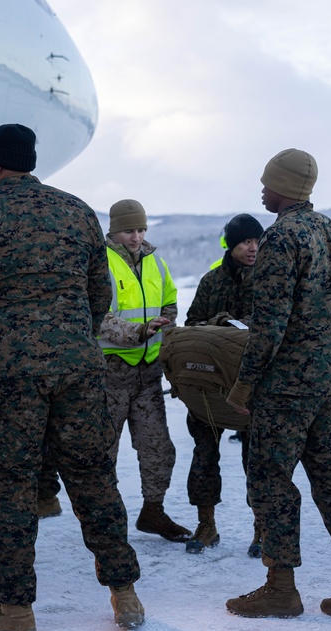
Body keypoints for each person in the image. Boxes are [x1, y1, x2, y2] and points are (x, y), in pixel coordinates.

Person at [0, 124, 143, 631]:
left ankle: (16, 611)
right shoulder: (77, 211)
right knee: (94, 478)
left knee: (9, 489)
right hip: (78, 370)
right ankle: (125, 594)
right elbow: (100, 294)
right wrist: (72, 340)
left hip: (6, 376)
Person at [225, 149, 331, 621]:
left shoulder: (282, 238)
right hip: (329, 384)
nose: (261, 188)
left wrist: (243, 387)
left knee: (271, 482)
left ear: (287, 188)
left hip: (285, 390)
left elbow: (270, 325)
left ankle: (280, 588)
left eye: (267, 182)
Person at [97, 199, 191, 543]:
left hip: (147, 373)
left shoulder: (157, 262)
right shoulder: (99, 262)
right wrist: (137, 332)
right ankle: (105, 519)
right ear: (113, 230)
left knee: (158, 448)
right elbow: (98, 316)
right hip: (110, 374)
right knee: (103, 451)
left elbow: (169, 299)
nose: (136, 237)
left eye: (140, 229)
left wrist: (165, 323)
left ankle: (153, 510)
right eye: (128, 230)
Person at [182, 213, 263, 556]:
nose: (253, 248)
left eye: (257, 241)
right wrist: (218, 326)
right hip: (211, 388)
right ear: (231, 245)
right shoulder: (211, 282)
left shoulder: (268, 279)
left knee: (258, 460)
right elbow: (190, 325)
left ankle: (262, 527)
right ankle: (207, 524)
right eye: (245, 241)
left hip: (255, 388)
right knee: (203, 455)